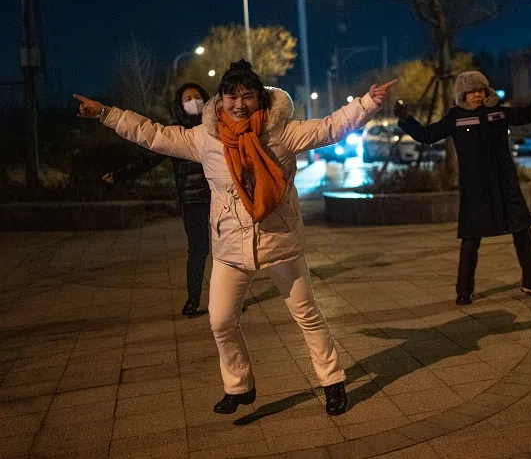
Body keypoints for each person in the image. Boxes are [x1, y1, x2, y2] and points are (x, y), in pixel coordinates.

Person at [75, 60, 396, 416]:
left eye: (247, 96)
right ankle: (239, 386)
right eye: (231, 96)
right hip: (229, 246)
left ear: (260, 99)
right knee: (221, 320)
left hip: (279, 241)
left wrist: (367, 102)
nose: (239, 103)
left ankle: (333, 382)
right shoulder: (205, 138)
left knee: (307, 315)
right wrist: (107, 113)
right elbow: (153, 134)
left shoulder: (282, 133)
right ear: (221, 99)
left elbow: (330, 127)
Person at [394, 69, 531, 305]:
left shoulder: (498, 113)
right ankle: (464, 291)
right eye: (471, 91)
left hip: (506, 184)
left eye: (480, 90)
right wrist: (405, 120)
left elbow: (527, 115)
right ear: (463, 94)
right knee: (471, 239)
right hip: (476, 189)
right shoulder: (456, 117)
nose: (477, 95)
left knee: (523, 231)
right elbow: (427, 135)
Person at [102, 83, 212, 318]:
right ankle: (193, 300)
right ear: (180, 105)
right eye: (187, 98)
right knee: (198, 251)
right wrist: (121, 174)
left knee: (228, 251)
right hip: (193, 201)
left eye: (197, 97)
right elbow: (148, 157)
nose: (193, 101)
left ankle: (232, 298)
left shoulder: (216, 128)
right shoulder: (175, 133)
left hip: (221, 199)